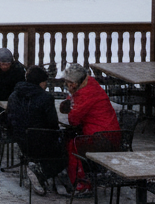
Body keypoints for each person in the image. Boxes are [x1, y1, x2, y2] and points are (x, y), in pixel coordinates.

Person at [60, 63, 120, 196]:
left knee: (73, 145)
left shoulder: (85, 94)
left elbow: (73, 120)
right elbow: (74, 100)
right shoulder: (89, 82)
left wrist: (70, 104)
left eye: (69, 83)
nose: (68, 86)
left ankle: (82, 184)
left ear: (75, 83)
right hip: (110, 133)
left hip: (101, 138)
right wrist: (70, 99)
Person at [7, 65, 64, 196]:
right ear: (41, 82)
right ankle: (42, 172)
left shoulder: (14, 95)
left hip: (20, 141)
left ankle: (37, 168)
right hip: (40, 143)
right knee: (66, 151)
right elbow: (53, 125)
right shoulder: (46, 98)